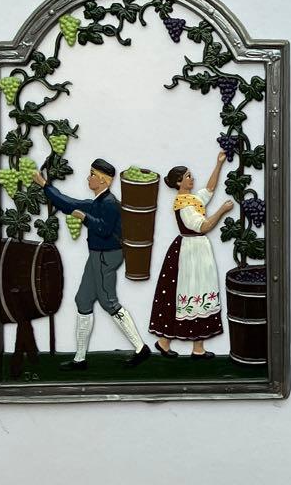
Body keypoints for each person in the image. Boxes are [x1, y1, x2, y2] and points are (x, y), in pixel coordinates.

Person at [32, 158, 150, 369]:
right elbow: (68, 203)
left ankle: (141, 349)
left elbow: (104, 229)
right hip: (97, 255)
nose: (89, 178)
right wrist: (45, 185)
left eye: (92, 174)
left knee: (108, 302)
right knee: (83, 300)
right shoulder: (96, 202)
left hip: (107, 255)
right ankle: (80, 359)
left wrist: (84, 218)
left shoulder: (109, 203)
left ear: (104, 180)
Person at [148, 152, 235, 359]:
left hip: (197, 249)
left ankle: (193, 347)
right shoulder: (184, 205)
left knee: (198, 292)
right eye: (188, 176)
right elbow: (203, 226)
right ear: (179, 182)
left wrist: (218, 164)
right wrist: (221, 211)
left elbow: (209, 190)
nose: (192, 178)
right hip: (190, 252)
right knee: (190, 291)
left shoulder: (192, 199)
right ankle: (170, 343)